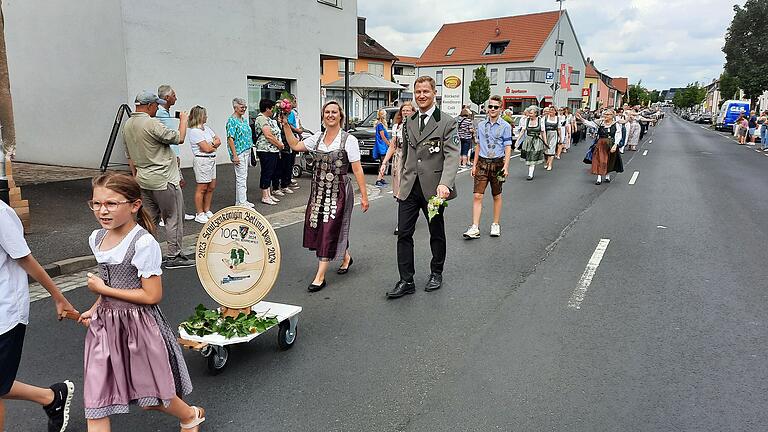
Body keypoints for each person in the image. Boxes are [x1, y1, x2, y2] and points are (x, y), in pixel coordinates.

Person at [80, 173, 204, 431]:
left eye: (111, 204)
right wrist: (94, 308)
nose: (102, 211)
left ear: (134, 205)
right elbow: (107, 287)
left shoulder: (143, 243)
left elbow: (151, 296)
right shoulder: (97, 238)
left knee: (152, 397)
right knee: (96, 397)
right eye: (96, 204)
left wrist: (104, 289)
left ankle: (190, 415)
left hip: (138, 326)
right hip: (105, 327)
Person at [0, 200, 78, 432]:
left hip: (5, 314)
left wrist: (58, 297)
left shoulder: (1, 213)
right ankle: (51, 397)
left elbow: (24, 258)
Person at [281, 101, 369, 292]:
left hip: (339, 190)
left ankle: (320, 276)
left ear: (340, 116)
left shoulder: (349, 140)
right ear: (323, 116)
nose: (330, 115)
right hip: (318, 191)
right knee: (319, 226)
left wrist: (364, 195)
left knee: (329, 227)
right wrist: (286, 125)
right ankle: (345, 256)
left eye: (334, 112)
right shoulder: (317, 138)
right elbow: (295, 145)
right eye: (327, 112)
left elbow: (357, 168)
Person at [386, 76, 459, 299]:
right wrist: (400, 183)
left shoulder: (446, 122)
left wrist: (446, 184)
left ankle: (436, 272)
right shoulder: (408, 122)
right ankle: (406, 279)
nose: (421, 96)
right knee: (404, 234)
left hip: (434, 190)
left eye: (425, 91)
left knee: (436, 233)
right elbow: (407, 155)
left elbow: (452, 156)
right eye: (418, 92)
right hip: (409, 188)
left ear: (434, 93)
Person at [123, 90, 193, 269]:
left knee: (149, 219)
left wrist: (135, 175)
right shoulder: (151, 123)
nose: (157, 107)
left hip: (143, 178)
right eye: (156, 105)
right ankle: (173, 255)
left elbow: (129, 156)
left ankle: (146, 254)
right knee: (173, 217)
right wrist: (184, 120)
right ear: (149, 105)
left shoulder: (128, 124)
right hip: (163, 178)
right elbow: (179, 138)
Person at [463, 95, 512, 239]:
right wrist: (474, 164)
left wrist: (506, 166)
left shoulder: (505, 126)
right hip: (482, 163)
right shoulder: (481, 125)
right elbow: (478, 145)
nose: (492, 109)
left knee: (496, 195)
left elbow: (508, 147)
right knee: (477, 195)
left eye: (495, 107)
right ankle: (475, 227)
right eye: (490, 106)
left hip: (498, 163)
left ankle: (495, 224)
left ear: (500, 109)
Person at [156, 85, 194, 223]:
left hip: (173, 154)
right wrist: (183, 121)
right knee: (169, 185)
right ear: (167, 97)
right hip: (168, 155)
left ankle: (178, 212)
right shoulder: (160, 114)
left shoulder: (165, 113)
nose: (176, 98)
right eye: (174, 95)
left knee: (178, 184)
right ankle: (165, 215)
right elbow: (175, 136)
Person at [379, 102, 416, 235]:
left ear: (413, 112)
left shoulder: (417, 125)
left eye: (408, 110)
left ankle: (404, 221)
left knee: (407, 190)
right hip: (399, 158)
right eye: (404, 110)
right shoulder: (397, 126)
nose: (406, 112)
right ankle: (404, 220)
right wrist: (384, 163)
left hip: (411, 158)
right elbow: (393, 146)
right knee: (400, 191)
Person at [187, 105, 221, 223]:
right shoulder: (194, 131)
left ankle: (207, 210)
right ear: (200, 116)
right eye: (204, 114)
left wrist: (210, 145)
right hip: (202, 160)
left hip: (211, 159)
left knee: (211, 186)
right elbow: (206, 148)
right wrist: (212, 145)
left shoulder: (206, 129)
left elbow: (218, 140)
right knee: (202, 187)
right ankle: (199, 212)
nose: (206, 116)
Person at [577, 109, 624, 184]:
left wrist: (615, 145)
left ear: (612, 116)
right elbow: (590, 124)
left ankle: (607, 176)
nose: (606, 116)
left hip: (611, 143)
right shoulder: (600, 123)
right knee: (601, 160)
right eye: (605, 114)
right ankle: (599, 178)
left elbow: (618, 135)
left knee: (610, 160)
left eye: (608, 114)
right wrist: (581, 119)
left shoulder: (616, 124)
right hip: (601, 143)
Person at [253, 99, 285, 205]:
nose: (273, 110)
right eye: (271, 108)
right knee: (266, 172)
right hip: (266, 149)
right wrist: (279, 144)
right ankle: (265, 196)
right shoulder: (261, 119)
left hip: (272, 150)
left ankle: (269, 194)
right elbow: (268, 135)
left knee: (271, 172)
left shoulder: (269, 119)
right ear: (267, 108)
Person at [226, 97, 254, 208]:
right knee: (241, 178)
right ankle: (242, 202)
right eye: (241, 107)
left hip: (246, 150)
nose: (244, 109)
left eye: (245, 107)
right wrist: (235, 155)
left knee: (243, 176)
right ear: (235, 107)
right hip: (239, 152)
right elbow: (230, 138)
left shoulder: (243, 120)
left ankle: (241, 201)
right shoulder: (231, 121)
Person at [517, 105, 547, 180]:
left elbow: (543, 132)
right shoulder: (526, 120)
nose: (529, 115)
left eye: (531, 113)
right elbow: (523, 131)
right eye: (529, 113)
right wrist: (517, 141)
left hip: (536, 140)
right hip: (528, 140)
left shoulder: (541, 120)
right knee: (529, 157)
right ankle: (530, 169)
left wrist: (545, 142)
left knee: (533, 156)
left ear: (535, 113)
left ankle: (530, 174)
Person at [284, 95, 303, 191]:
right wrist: (297, 130)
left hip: (295, 137)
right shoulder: (289, 113)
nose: (296, 102)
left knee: (292, 160)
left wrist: (300, 128)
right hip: (291, 138)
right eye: (294, 101)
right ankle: (286, 181)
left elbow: (297, 122)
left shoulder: (295, 112)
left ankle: (289, 179)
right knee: (289, 160)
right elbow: (289, 125)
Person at [373, 109, 391, 188]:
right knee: (384, 163)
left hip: (382, 146)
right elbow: (383, 137)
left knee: (382, 163)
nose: (385, 115)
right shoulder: (380, 125)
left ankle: (381, 179)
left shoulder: (380, 124)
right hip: (382, 146)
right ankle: (378, 179)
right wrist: (389, 144)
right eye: (384, 114)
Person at [543, 107, 560, 171]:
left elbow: (559, 129)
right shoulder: (545, 118)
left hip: (554, 134)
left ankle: (550, 164)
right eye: (550, 110)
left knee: (552, 149)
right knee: (545, 150)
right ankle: (546, 162)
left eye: (552, 110)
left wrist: (560, 137)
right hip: (546, 134)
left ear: (555, 112)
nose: (550, 111)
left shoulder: (557, 119)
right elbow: (542, 128)